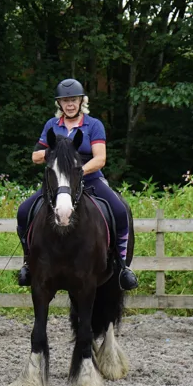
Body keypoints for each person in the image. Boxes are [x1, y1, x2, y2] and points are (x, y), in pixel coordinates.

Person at [15, 78, 138, 290]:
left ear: (81, 101)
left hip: (90, 179)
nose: (70, 104)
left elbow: (100, 158)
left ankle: (122, 266)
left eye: (73, 100)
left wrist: (77, 172)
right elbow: (36, 156)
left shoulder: (94, 125)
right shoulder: (52, 125)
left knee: (120, 211)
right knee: (24, 211)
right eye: (65, 101)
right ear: (59, 103)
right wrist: (57, 153)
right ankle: (28, 262)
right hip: (58, 183)